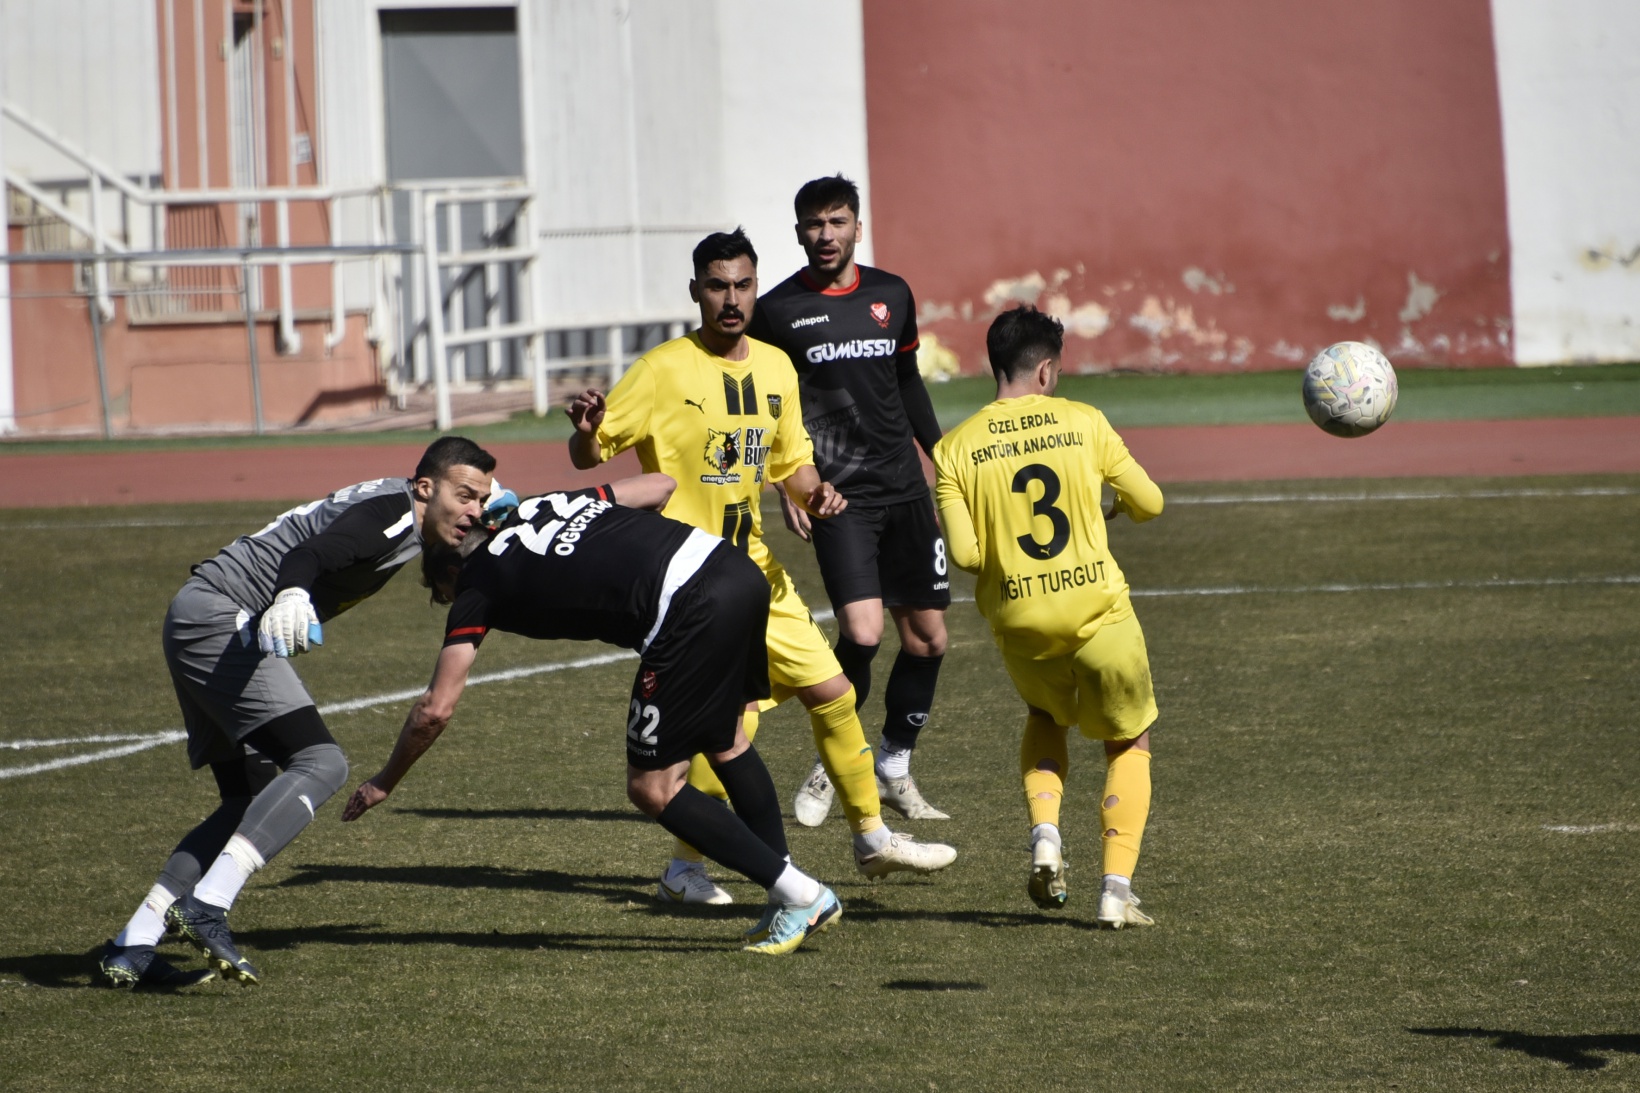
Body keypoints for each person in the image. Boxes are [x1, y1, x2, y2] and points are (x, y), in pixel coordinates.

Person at [566, 228, 956, 906]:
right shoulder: (662, 370)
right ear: (696, 291)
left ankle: (869, 835)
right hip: (691, 580)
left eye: (743, 284)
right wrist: (586, 428)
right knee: (729, 729)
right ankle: (686, 868)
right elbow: (589, 454)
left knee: (833, 690)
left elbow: (790, 463)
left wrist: (816, 490)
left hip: (757, 570)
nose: (731, 298)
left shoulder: (777, 366)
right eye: (717, 285)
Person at [342, 474, 842, 955]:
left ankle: (802, 896)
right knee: (726, 738)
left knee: (652, 788)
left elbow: (436, 708)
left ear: (450, 569)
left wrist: (385, 780)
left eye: (441, 594)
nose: (448, 601)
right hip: (733, 568)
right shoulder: (539, 504)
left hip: (687, 606)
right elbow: (661, 486)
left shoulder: (476, 584)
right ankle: (787, 895)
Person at [97, 437, 502, 988]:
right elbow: (309, 554)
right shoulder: (391, 514)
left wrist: (494, 505)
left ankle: (133, 945)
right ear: (425, 488)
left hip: (201, 611)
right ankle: (205, 906)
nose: (474, 510)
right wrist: (290, 595)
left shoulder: (422, 507)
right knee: (322, 763)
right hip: (223, 618)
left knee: (246, 798)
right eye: (465, 496)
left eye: (480, 498)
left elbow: (480, 506)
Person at [932, 307, 1165, 928]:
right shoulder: (1085, 421)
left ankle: (1045, 835)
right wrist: (1116, 509)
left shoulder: (954, 450)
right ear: (1044, 370)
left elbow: (965, 555)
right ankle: (1116, 889)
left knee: (1044, 716)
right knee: (1128, 739)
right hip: (1099, 616)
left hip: (1023, 624)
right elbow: (1151, 501)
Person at [747, 174, 951, 825]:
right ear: (799, 231)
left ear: (857, 226)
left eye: (837, 222)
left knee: (928, 640)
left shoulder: (892, 294)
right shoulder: (775, 311)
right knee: (861, 634)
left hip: (905, 491)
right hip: (837, 496)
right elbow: (768, 406)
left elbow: (908, 381)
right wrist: (787, 483)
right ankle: (834, 764)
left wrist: (943, 462)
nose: (825, 235)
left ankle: (893, 764)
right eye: (813, 224)